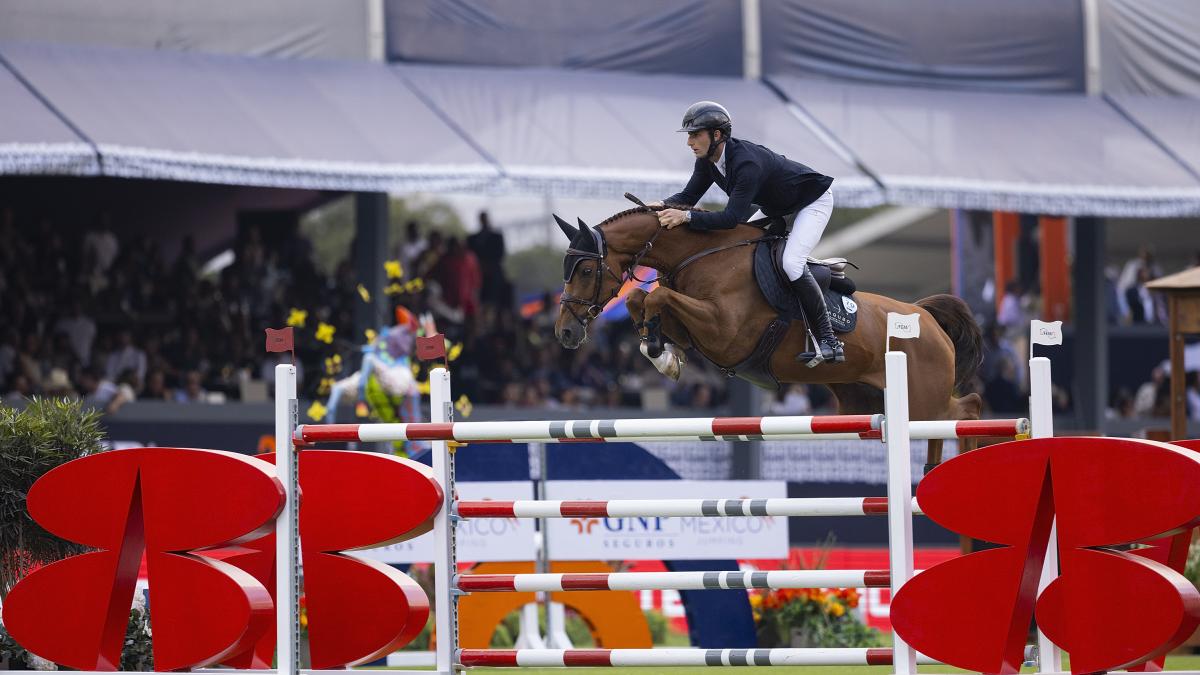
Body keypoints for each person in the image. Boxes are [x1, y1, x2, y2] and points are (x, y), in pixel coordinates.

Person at [653, 101, 841, 364]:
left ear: (716, 135)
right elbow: (688, 196)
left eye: (695, 135)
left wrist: (685, 216)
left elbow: (731, 218)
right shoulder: (708, 160)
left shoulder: (746, 163)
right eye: (689, 136)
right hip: (777, 205)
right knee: (741, 248)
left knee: (791, 262)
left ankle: (829, 339)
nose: (689, 142)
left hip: (813, 200)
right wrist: (662, 205)